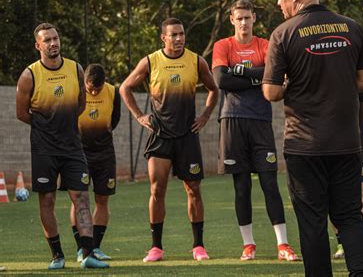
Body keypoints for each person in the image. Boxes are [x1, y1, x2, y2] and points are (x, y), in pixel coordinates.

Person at [262, 0, 363, 277]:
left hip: (304, 147)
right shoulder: (351, 27)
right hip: (346, 143)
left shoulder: (283, 34)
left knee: (312, 222)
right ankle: (361, 274)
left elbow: (270, 91)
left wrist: (289, 84)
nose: (278, 4)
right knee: (350, 215)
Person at [119, 17, 218, 262]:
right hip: (160, 137)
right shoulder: (151, 61)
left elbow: (214, 89)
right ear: (163, 37)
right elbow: (125, 88)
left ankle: (198, 246)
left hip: (187, 136)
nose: (178, 39)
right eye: (173, 35)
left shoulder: (196, 61)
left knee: (193, 189)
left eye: (181, 34)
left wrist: (205, 115)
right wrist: (140, 116)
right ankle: (156, 248)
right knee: (157, 189)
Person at [16, 23, 109, 269]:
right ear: (38, 45)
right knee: (46, 201)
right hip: (44, 149)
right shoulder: (29, 75)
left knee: (81, 197)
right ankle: (57, 255)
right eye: (47, 40)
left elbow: (80, 104)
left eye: (55, 38)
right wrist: (47, 128)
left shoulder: (76, 69)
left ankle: (88, 253)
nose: (53, 43)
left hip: (72, 148)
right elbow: (22, 113)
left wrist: (64, 127)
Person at [212, 0, 299, 261]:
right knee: (241, 187)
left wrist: (242, 72)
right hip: (232, 120)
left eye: (247, 18)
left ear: (254, 18)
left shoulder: (265, 44)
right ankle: (248, 245)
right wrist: (255, 76)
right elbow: (221, 80)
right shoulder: (223, 45)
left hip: (260, 121)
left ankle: (283, 245)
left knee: (269, 183)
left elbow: (274, 74)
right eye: (239, 18)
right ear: (232, 20)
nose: (243, 22)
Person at [70, 64, 121, 262]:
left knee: (102, 200)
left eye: (96, 89)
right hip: (78, 153)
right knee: (79, 199)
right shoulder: (75, 91)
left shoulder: (113, 92)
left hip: (105, 154)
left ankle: (96, 247)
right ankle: (81, 248)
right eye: (90, 88)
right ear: (85, 82)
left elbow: (114, 121)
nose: (92, 92)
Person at [333, 89, 363, 260]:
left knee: (362, 191)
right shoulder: (320, 68)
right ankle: (342, 244)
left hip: (356, 142)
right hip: (330, 142)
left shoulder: (354, 69)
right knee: (334, 195)